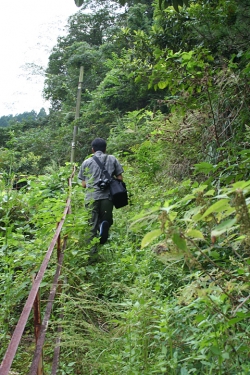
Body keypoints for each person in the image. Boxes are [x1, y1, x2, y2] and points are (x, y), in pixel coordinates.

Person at [78, 138, 124, 258]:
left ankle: (92, 254)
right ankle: (103, 228)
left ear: (92, 149)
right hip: (107, 197)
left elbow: (83, 184)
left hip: (91, 197)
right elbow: (120, 178)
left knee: (91, 226)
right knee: (106, 221)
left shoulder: (86, 162)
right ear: (105, 148)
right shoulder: (112, 159)